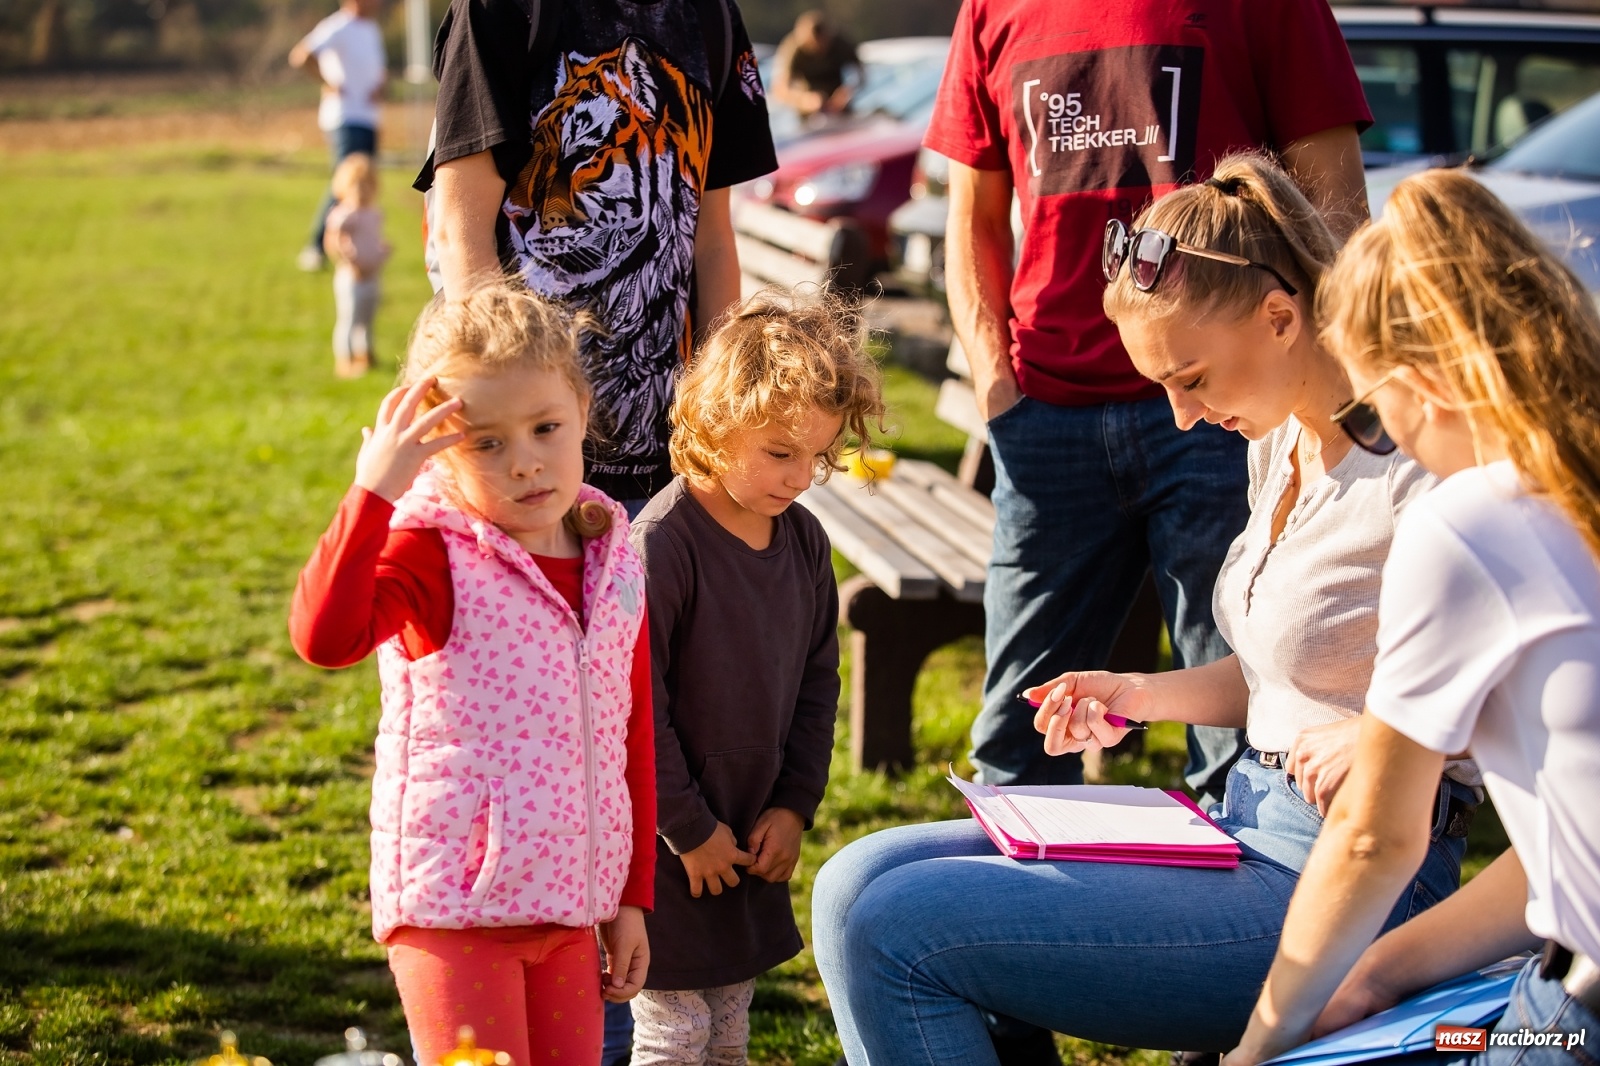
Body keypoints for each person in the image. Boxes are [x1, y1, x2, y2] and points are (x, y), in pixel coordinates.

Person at [812, 154, 1481, 1066]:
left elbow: (1511, 686)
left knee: (893, 927)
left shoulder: (1419, 464)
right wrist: (1137, 693)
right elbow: (1284, 678)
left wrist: (1378, 735)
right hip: (1246, 821)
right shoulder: (1278, 440)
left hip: (1350, 881)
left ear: (1280, 317)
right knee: (852, 880)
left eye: (1191, 377)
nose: (1181, 416)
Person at [928, 0, 1372, 809]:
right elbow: (973, 217)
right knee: (1021, 733)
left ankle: (1246, 885)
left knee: (1246, 743)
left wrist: (1313, 402)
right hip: (1047, 414)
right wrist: (997, 391)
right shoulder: (991, 8)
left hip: (1233, 415)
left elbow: (1333, 211)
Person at [1222, 171, 1600, 1066]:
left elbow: (1372, 838)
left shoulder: (1472, 524)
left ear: (1421, 383)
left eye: (1371, 410)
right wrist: (1379, 973)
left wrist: (1256, 1046)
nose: (1378, 436)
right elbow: (1568, 845)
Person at [289, 282, 656, 1066]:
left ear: (582, 410)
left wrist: (629, 898)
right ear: (437, 449)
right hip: (455, 915)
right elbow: (324, 638)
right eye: (485, 443)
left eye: (545, 427)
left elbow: (630, 736)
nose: (525, 461)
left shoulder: (612, 556)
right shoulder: (430, 550)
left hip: (570, 912)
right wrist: (373, 493)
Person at [628, 292, 884, 1065]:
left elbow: (818, 684)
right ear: (716, 420)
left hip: (752, 834)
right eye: (780, 453)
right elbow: (633, 707)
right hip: (669, 845)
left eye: (819, 457)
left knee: (730, 1033)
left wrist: (795, 805)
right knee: (675, 1035)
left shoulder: (805, 543)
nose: (802, 477)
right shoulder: (661, 545)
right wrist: (688, 830)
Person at [417, 0, 777, 517]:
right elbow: (459, 232)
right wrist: (513, 429)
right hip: (527, 462)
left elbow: (712, 239)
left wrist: (719, 415)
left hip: (667, 459)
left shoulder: (711, 16)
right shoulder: (501, 9)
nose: (554, 206)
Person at [290, 0, 386, 273]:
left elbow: (375, 71)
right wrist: (327, 83)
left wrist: (380, 86)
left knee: (364, 186)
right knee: (346, 184)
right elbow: (301, 55)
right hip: (345, 117)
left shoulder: (371, 29)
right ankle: (316, 248)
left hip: (368, 117)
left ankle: (357, 247)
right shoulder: (337, 26)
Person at [323, 152, 392, 377]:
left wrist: (380, 251)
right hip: (352, 277)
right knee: (349, 319)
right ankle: (345, 360)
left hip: (372, 274)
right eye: (356, 185)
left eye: (367, 185)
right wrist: (348, 261)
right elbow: (333, 239)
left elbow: (371, 238)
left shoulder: (373, 213)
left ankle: (366, 356)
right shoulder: (345, 214)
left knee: (367, 319)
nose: (362, 191)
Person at [771, 11, 859, 118]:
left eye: (824, 44)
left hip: (840, 109)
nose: (820, 49)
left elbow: (860, 73)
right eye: (814, 45)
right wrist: (804, 100)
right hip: (808, 112)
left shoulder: (840, 44)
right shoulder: (793, 49)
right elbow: (779, 89)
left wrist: (848, 91)